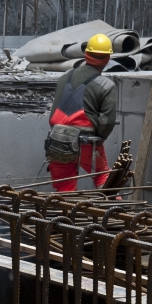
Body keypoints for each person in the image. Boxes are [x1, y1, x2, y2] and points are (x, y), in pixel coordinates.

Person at [47, 32, 117, 192]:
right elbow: (107, 122)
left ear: (86, 54)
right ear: (107, 59)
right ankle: (114, 212)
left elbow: (52, 116)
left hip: (57, 142)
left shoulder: (64, 78)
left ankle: (66, 216)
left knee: (65, 189)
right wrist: (98, 139)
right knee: (103, 177)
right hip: (87, 144)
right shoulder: (106, 85)